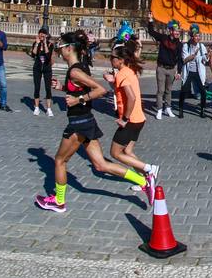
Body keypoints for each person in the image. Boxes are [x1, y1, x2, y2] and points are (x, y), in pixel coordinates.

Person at [35, 31, 153, 214]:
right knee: (101, 165)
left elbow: (99, 90)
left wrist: (78, 100)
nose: (59, 51)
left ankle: (58, 201)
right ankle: (143, 182)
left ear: (69, 48)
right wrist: (63, 87)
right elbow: (79, 87)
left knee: (59, 160)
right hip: (86, 121)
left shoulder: (75, 70)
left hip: (78, 123)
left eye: (60, 47)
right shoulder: (79, 66)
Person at [104, 41, 158, 191]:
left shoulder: (122, 74)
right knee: (127, 151)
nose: (111, 59)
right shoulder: (128, 70)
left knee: (115, 152)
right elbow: (121, 90)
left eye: (113, 57)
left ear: (121, 60)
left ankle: (149, 169)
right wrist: (112, 81)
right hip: (139, 118)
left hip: (131, 120)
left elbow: (132, 97)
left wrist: (124, 119)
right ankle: (146, 181)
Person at [150, 19, 182, 120]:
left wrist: (179, 72)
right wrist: (150, 21)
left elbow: (180, 59)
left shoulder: (179, 44)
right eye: (176, 31)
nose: (178, 33)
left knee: (168, 90)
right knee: (161, 90)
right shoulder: (163, 38)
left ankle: (167, 108)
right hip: (161, 68)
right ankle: (159, 109)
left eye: (179, 31)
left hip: (172, 69)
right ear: (171, 31)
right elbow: (152, 32)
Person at [179, 24, 209, 118]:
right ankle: (180, 110)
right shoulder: (186, 46)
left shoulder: (201, 46)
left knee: (203, 92)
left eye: (199, 36)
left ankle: (202, 111)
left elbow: (204, 59)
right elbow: (184, 60)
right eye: (196, 36)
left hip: (198, 73)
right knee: (184, 91)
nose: (198, 37)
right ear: (192, 36)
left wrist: (207, 56)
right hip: (188, 72)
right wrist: (193, 55)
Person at [30, 28, 54, 116]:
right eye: (40, 34)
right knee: (37, 87)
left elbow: (48, 56)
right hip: (37, 68)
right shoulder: (36, 43)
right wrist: (37, 44)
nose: (42, 35)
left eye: (44, 34)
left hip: (47, 68)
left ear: (46, 35)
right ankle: (36, 107)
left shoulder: (50, 44)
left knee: (48, 88)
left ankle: (48, 109)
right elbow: (33, 55)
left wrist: (45, 44)